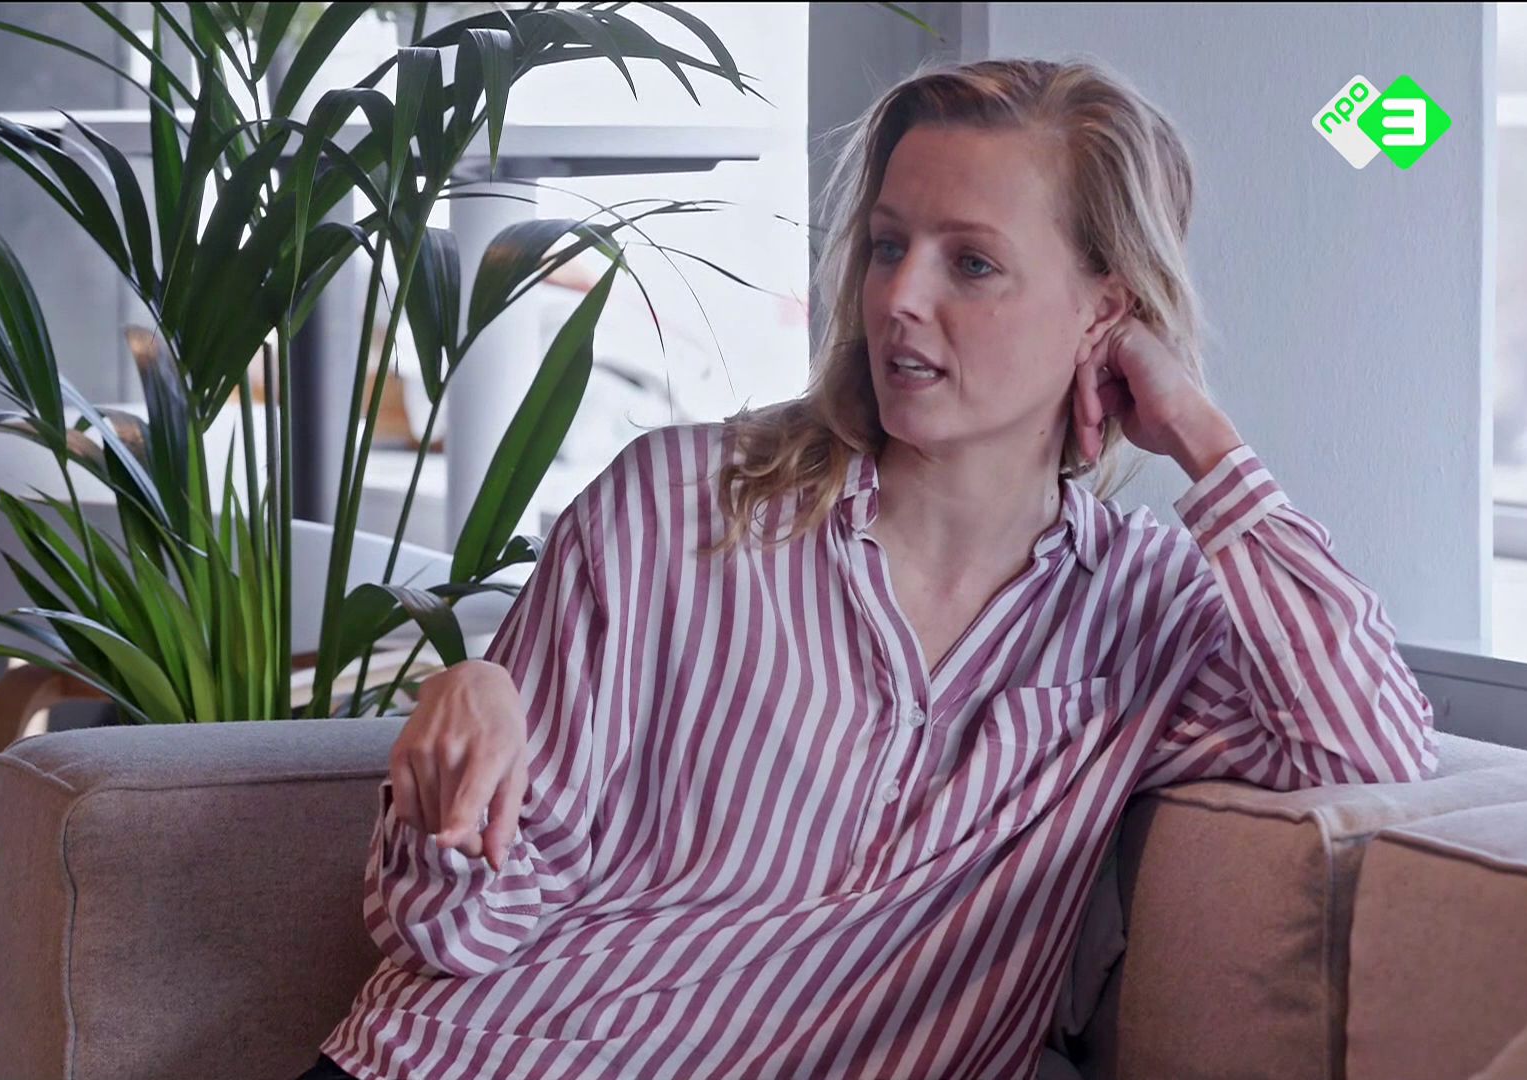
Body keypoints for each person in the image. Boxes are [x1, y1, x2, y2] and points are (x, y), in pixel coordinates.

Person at [304, 56, 1441, 1080]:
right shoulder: (675, 507)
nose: (899, 296)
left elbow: (1369, 742)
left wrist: (1198, 431)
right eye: (888, 246)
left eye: (972, 263)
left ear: (1106, 312)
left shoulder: (1147, 606)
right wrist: (452, 766)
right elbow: (453, 930)